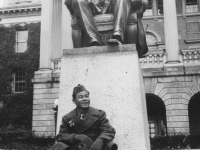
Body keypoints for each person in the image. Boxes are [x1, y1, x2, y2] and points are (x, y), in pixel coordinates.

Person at [65, 0, 148, 57]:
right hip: (92, 5)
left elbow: (144, 2)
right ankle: (93, 39)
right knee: (78, 1)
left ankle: (118, 35)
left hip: (113, 5)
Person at [50, 84, 117, 150]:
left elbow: (109, 130)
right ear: (74, 101)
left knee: (108, 145)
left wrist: (99, 142)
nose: (84, 99)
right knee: (59, 146)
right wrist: (76, 137)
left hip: (94, 147)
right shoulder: (67, 118)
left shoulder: (99, 114)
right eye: (81, 97)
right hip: (76, 147)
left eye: (86, 96)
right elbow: (61, 136)